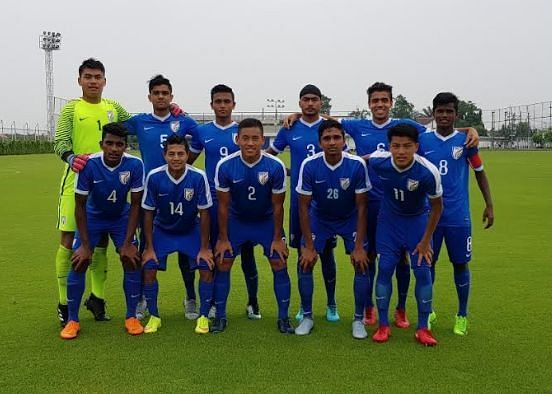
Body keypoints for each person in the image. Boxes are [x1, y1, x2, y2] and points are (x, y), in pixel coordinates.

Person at [285, 82, 478, 328]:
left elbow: (440, 128)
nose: (379, 105)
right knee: (371, 256)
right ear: (369, 104)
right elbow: (327, 124)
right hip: (365, 201)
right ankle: (368, 309)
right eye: (375, 101)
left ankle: (400, 309)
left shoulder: (403, 126)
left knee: (402, 260)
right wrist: (298, 115)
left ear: (390, 103)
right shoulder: (356, 125)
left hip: (396, 202)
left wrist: (468, 128)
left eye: (384, 100)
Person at [53, 58, 132, 326]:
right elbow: (60, 140)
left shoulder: (113, 107)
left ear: (105, 81)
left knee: (100, 244)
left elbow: (134, 125)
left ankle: (97, 299)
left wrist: (171, 110)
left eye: (98, 77)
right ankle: (64, 303)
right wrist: (70, 157)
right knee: (68, 242)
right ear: (79, 80)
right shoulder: (71, 109)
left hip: (107, 184)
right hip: (76, 183)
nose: (93, 81)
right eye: (88, 76)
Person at [125, 75, 200, 320]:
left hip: (180, 194)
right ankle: (142, 299)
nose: (160, 97)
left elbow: (200, 140)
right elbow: (111, 128)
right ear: (149, 97)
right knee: (145, 249)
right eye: (156, 93)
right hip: (149, 196)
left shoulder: (183, 121)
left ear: (171, 96)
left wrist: (186, 165)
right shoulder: (138, 122)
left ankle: (190, 297)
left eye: (164, 93)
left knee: (186, 251)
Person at [418, 92, 494, 335]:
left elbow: (479, 172)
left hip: (458, 217)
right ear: (433, 113)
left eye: (449, 111)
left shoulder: (465, 142)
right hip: (429, 216)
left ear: (455, 114)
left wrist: (489, 205)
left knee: (460, 264)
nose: (444, 115)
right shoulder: (422, 140)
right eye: (439, 111)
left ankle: (462, 314)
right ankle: (427, 312)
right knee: (428, 264)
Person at [60, 123, 144, 339]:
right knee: (79, 261)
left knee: (131, 259)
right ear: (102, 144)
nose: (114, 148)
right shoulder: (89, 165)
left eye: (119, 144)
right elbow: (80, 205)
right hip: (93, 216)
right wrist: (86, 246)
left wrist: (127, 243)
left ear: (126, 146)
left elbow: (135, 204)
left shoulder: (135, 165)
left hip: (121, 217)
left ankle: (131, 316)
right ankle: (72, 320)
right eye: (110, 143)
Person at [266, 85, 340, 322]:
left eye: (314, 100)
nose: (310, 104)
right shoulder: (290, 128)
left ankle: (331, 304)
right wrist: (285, 170)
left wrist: (327, 118)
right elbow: (269, 155)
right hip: (300, 202)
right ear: (299, 103)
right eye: (305, 100)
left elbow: (342, 156)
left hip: (326, 200)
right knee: (301, 253)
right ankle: (303, 306)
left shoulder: (328, 129)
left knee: (327, 253)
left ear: (320, 103)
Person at [213, 118, 294, 334]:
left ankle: (283, 318)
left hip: (265, 222)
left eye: (255, 138)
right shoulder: (226, 165)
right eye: (245, 138)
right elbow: (223, 205)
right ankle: (220, 317)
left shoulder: (274, 166)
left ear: (262, 140)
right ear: (237, 139)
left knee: (279, 262)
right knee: (223, 261)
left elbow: (278, 206)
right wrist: (222, 238)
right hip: (237, 221)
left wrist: (277, 238)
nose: (250, 143)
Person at [188, 85, 260, 320]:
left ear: (233, 104)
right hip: (211, 202)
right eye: (217, 101)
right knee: (216, 253)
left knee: (247, 254)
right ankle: (212, 304)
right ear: (211, 105)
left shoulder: (242, 131)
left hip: (240, 203)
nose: (222, 105)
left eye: (226, 101)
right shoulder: (202, 132)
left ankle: (253, 302)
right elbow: (188, 162)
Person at [368, 123, 443, 346]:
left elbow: (437, 207)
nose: (401, 151)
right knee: (385, 268)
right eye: (396, 146)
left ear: (416, 147)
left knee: (422, 271)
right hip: (389, 222)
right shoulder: (380, 160)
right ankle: (383, 325)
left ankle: (422, 328)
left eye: (407, 146)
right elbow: (360, 160)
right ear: (389, 146)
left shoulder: (428, 172)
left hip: (417, 223)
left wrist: (425, 240)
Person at [295, 120, 371, 338]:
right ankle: (308, 316)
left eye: (336, 137)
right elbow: (303, 207)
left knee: (361, 262)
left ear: (344, 140)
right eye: (327, 138)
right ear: (320, 142)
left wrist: (358, 246)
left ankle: (358, 320)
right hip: (321, 218)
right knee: (305, 261)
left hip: (349, 218)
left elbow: (362, 207)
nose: (332, 142)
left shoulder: (356, 164)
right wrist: (308, 246)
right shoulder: (309, 165)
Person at [141, 134, 214, 334]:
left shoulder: (198, 176)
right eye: (171, 154)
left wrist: (205, 247)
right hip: (163, 230)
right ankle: (154, 316)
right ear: (164, 155)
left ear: (187, 154)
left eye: (180, 153)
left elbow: (205, 213)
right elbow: (148, 213)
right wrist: (148, 247)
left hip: (190, 229)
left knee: (206, 266)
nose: (176, 158)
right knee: (148, 266)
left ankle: (204, 316)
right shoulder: (154, 176)